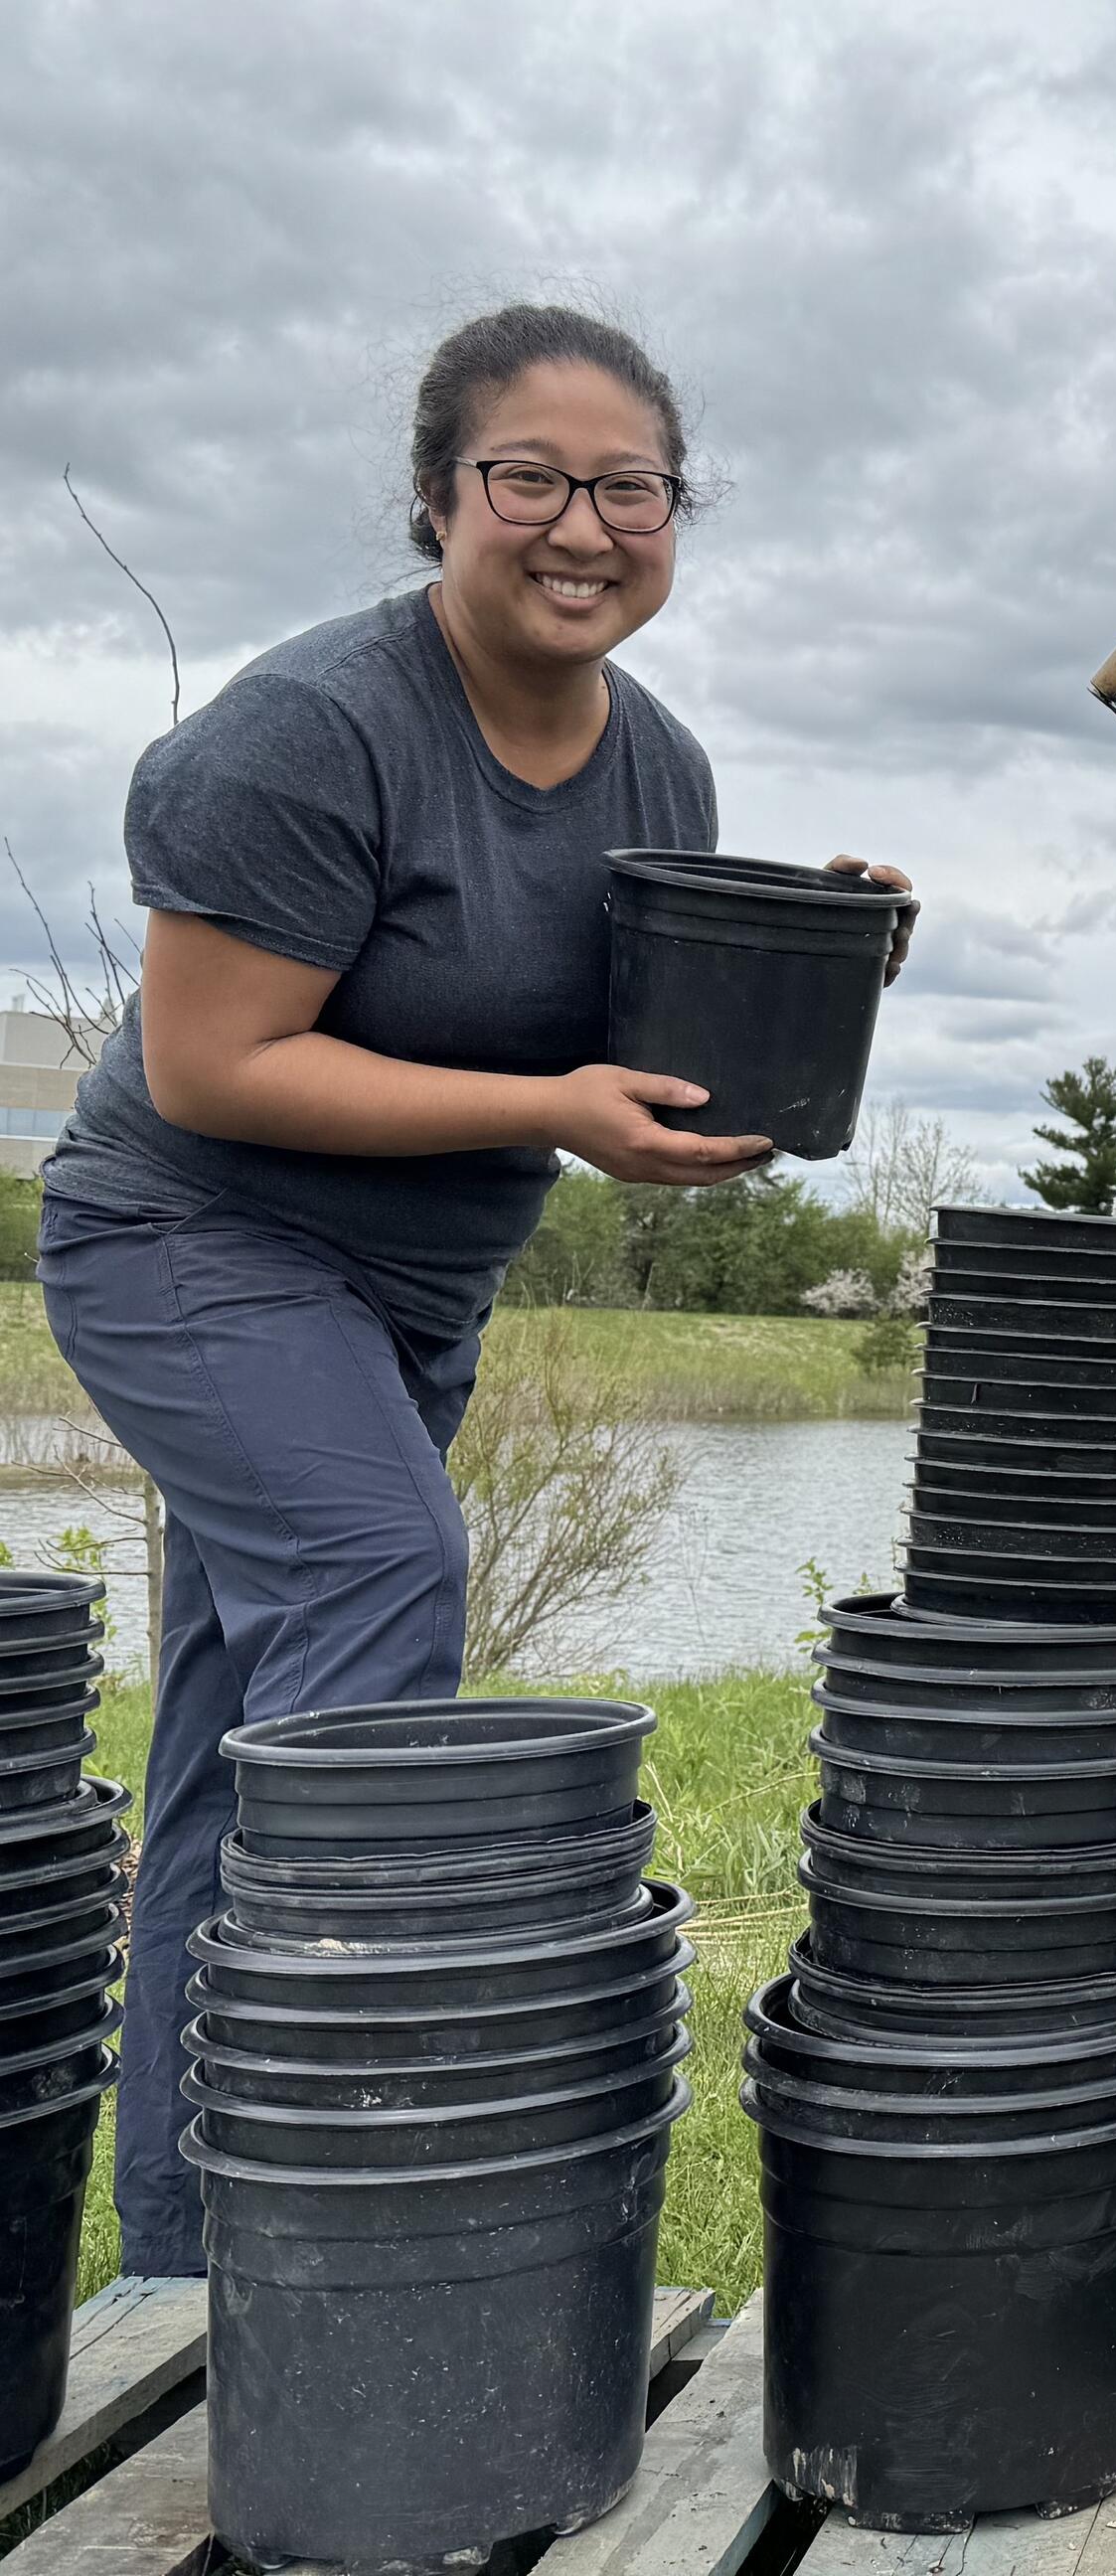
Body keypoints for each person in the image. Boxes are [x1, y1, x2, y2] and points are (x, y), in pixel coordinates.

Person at [41, 303, 915, 2277]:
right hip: (193, 1246)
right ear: (438, 497)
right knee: (378, 1582)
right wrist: (552, 1109)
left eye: (633, 488)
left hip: (407, 1301)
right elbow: (211, 1068)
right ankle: (348, 2211)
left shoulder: (659, 764)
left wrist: (815, 966)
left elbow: (649, 1055)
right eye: (530, 478)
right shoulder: (308, 733)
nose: (583, 525)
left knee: (228, 1764)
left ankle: (197, 2267)